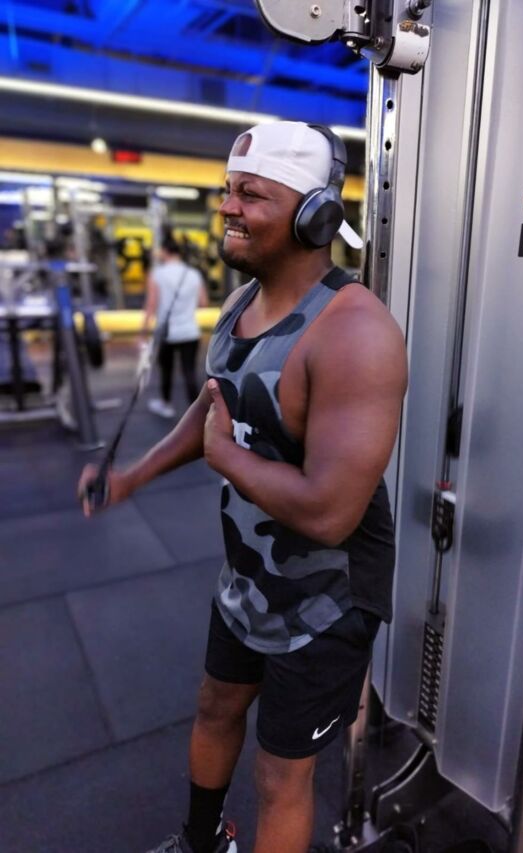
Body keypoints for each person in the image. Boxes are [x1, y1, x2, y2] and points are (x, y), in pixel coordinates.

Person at [78, 120, 408, 853]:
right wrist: (133, 476)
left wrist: (224, 458)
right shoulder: (239, 306)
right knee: (215, 707)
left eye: (251, 194)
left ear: (314, 215)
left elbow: (329, 513)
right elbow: (212, 409)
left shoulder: (355, 333)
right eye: (228, 189)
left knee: (279, 775)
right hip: (249, 577)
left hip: (328, 600)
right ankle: (203, 841)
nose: (227, 206)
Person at [143, 232, 209, 418]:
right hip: (190, 330)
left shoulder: (157, 274)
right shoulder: (193, 274)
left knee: (166, 370)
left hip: (167, 332)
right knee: (189, 371)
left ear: (165, 251)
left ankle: (166, 405)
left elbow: (151, 305)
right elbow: (203, 302)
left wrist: (143, 331)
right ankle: (199, 414)